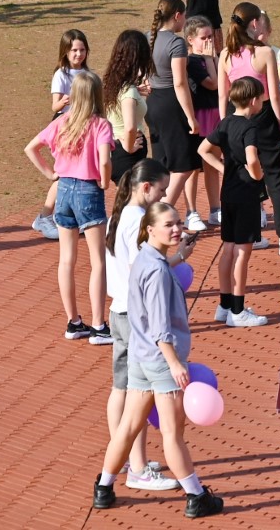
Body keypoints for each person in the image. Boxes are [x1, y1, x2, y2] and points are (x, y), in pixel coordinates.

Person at [93, 202, 225, 518]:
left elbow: (158, 272)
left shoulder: (145, 258)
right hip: (161, 361)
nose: (177, 229)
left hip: (139, 358)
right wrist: (175, 363)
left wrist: (180, 256)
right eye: (169, 225)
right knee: (172, 434)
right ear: (150, 229)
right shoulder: (157, 271)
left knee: (128, 426)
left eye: (178, 222)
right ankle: (196, 497)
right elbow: (159, 325)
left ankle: (104, 488)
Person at [104, 159, 186, 494]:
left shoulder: (121, 214)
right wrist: (178, 258)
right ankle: (136, 468)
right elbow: (145, 270)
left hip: (119, 311)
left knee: (122, 389)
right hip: (133, 317)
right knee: (136, 397)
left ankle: (123, 458)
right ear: (147, 187)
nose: (165, 195)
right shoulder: (138, 220)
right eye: (162, 190)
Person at [24, 70, 114, 343]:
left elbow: (31, 148)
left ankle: (73, 322)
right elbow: (105, 160)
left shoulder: (62, 122)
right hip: (88, 191)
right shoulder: (101, 125)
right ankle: (98, 325)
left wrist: (51, 174)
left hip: (63, 191)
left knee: (66, 259)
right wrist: (105, 181)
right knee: (98, 261)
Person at [219, 1, 280, 253]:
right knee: (276, 175)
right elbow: (274, 94)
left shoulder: (225, 54)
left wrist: (224, 126)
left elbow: (223, 95)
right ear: (254, 23)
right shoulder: (264, 53)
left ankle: (252, 235)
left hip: (236, 117)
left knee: (244, 176)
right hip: (262, 115)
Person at [198, 77, 274, 325]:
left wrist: (224, 168)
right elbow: (252, 159)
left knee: (229, 247)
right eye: (261, 98)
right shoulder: (250, 128)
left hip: (228, 192)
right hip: (246, 194)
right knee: (243, 251)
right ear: (253, 101)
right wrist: (257, 176)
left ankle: (225, 305)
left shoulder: (226, 122)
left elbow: (203, 149)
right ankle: (238, 311)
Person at [146, 0, 201, 212]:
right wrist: (191, 117)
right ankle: (160, 212)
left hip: (152, 102)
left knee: (161, 163)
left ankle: (151, 209)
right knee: (185, 164)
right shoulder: (176, 43)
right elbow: (180, 83)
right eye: (184, 16)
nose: (184, 20)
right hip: (171, 104)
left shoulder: (148, 37)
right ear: (177, 15)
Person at [36, 28, 91, 239]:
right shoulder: (61, 74)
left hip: (83, 126)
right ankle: (44, 216)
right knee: (64, 175)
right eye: (74, 50)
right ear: (66, 52)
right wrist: (65, 101)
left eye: (82, 50)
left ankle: (75, 217)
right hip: (65, 126)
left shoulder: (88, 73)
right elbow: (55, 106)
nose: (79, 54)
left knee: (78, 175)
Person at [182, 17, 222, 228]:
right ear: (190, 39)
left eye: (210, 37)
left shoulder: (214, 57)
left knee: (212, 162)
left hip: (216, 114)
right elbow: (213, 83)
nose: (209, 41)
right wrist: (209, 58)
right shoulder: (193, 61)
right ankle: (191, 211)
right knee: (193, 167)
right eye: (203, 38)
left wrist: (213, 59)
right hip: (200, 115)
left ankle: (216, 209)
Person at [102, 29, 154, 187]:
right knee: (133, 199)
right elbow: (130, 127)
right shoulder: (128, 92)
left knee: (125, 199)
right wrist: (129, 148)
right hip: (128, 156)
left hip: (118, 150)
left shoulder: (114, 85)